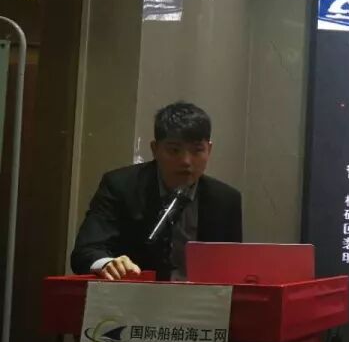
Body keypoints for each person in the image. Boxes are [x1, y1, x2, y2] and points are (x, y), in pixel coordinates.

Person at [70, 102, 242, 280]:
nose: (186, 161)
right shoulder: (121, 186)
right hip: (134, 293)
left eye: (197, 151)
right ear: (155, 149)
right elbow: (86, 251)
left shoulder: (226, 199)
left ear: (209, 150)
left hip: (203, 296)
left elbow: (232, 267)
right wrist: (107, 264)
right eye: (174, 150)